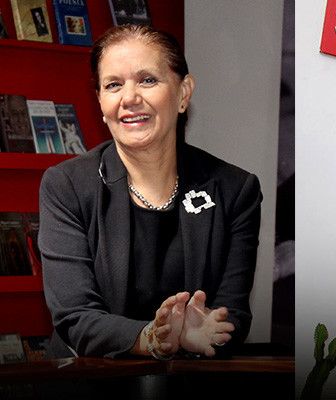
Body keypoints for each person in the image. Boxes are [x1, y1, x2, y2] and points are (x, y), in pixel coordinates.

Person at [39, 24, 262, 360]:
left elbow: (233, 314)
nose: (129, 98)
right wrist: (150, 338)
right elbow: (75, 315)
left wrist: (206, 332)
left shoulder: (235, 190)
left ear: (183, 93)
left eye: (147, 80)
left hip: (191, 379)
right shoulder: (66, 186)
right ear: (100, 101)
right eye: (113, 85)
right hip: (90, 378)